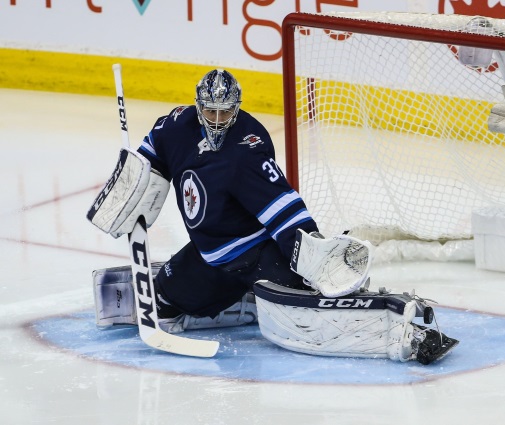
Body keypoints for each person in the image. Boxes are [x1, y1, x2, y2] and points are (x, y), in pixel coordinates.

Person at [88, 69, 458, 364]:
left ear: (237, 108)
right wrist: (134, 180)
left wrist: (311, 249)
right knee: (161, 300)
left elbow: (281, 206)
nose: (218, 121)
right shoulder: (177, 125)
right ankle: (244, 300)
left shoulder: (247, 146)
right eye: (211, 112)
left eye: (226, 112)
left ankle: (402, 325)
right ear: (198, 106)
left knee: (317, 307)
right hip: (212, 256)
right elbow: (153, 149)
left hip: (257, 254)